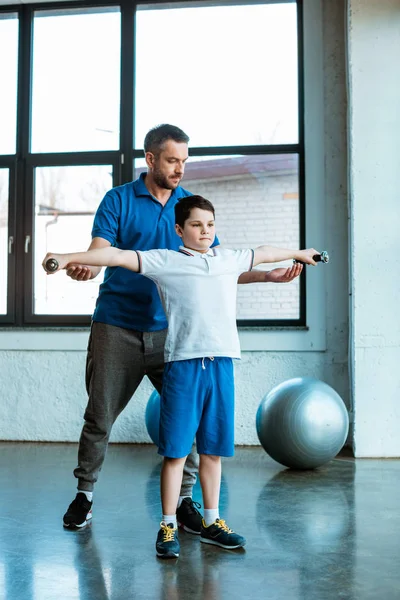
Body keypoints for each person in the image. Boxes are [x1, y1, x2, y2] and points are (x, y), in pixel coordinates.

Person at [43, 194, 318, 558]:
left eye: (210, 225)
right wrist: (67, 258)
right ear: (179, 230)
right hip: (183, 367)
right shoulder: (166, 261)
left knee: (212, 452)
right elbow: (115, 256)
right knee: (174, 453)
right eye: (196, 225)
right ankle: (168, 524)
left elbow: (264, 252)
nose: (205, 231)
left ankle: (211, 522)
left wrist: (300, 253)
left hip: (220, 364)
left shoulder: (226, 259)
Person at [61, 123, 303, 533]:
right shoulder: (118, 200)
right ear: (151, 159)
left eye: (185, 161)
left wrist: (268, 277)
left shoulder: (189, 207)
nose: (180, 169)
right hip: (117, 325)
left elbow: (214, 267)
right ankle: (84, 494)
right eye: (172, 160)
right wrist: (85, 262)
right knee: (100, 415)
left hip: (174, 335)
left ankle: (186, 501)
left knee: (186, 419)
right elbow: (104, 251)